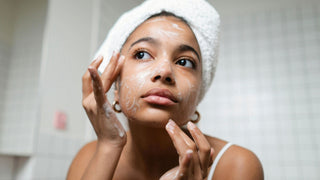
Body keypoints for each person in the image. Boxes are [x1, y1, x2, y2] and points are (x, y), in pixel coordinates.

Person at [67, 0, 264, 179]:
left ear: (199, 93)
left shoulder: (236, 166)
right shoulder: (89, 158)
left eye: (184, 61)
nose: (164, 71)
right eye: (142, 54)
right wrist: (108, 146)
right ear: (115, 83)